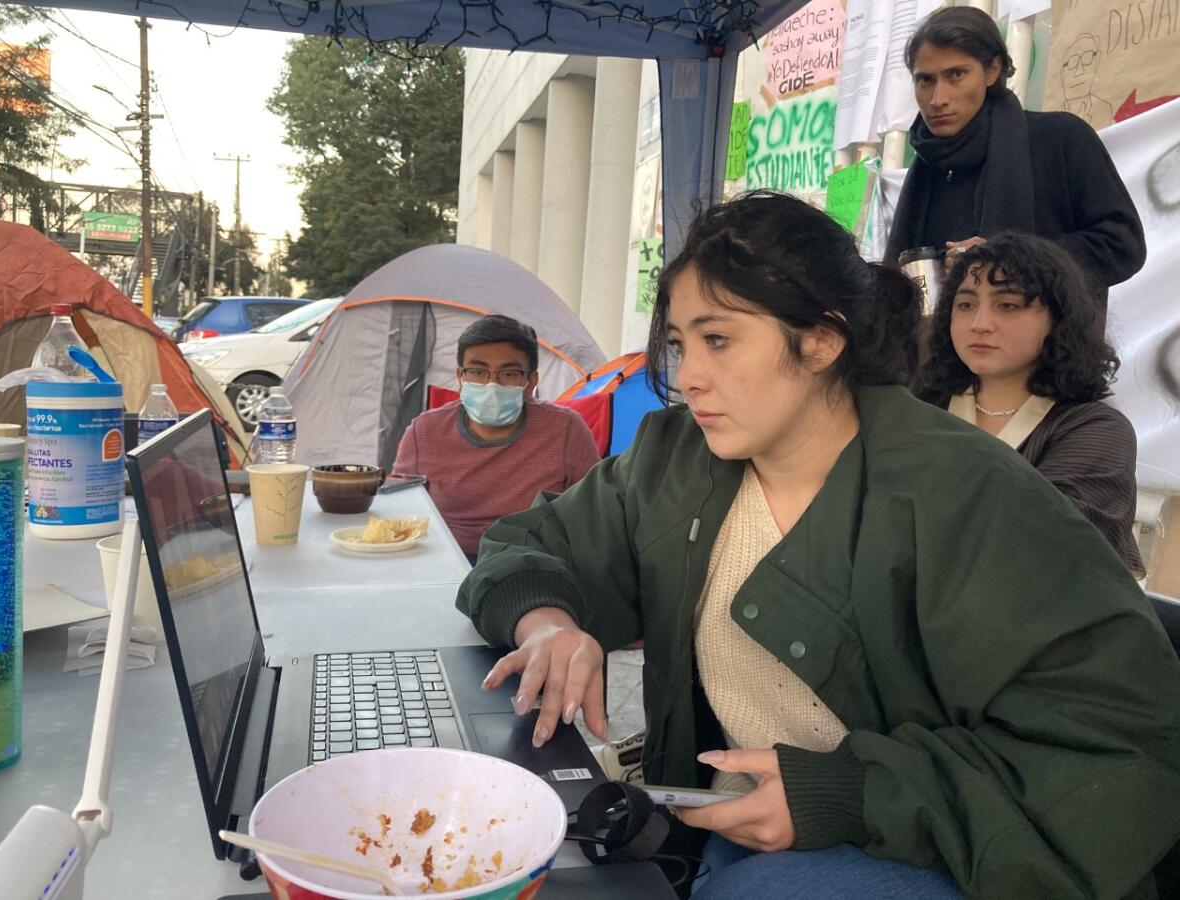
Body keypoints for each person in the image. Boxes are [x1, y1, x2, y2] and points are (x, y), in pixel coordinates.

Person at [456, 192, 1180, 897]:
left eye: (718, 339)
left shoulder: (964, 492)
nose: (689, 376)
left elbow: (1116, 745)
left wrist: (850, 794)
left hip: (930, 849)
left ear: (823, 341)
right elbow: (529, 543)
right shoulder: (677, 456)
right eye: (678, 344)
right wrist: (548, 621)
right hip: (722, 829)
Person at [915, 232, 1145, 576]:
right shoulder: (920, 407)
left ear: (1058, 318)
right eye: (965, 304)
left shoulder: (1097, 429)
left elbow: (1047, 547)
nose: (979, 324)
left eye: (1007, 305)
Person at [885, 7, 1145, 300]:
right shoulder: (928, 168)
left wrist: (1013, 260)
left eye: (956, 74)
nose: (938, 99)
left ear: (992, 70)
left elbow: (1122, 245)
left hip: (1052, 344)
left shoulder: (1059, 139)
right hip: (937, 345)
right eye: (925, 80)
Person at [392, 314, 599, 562]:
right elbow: (400, 508)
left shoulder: (566, 430)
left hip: (533, 561)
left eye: (509, 374)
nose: (492, 384)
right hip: (445, 560)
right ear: (461, 377)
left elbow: (594, 511)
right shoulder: (424, 431)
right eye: (478, 372)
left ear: (530, 381)